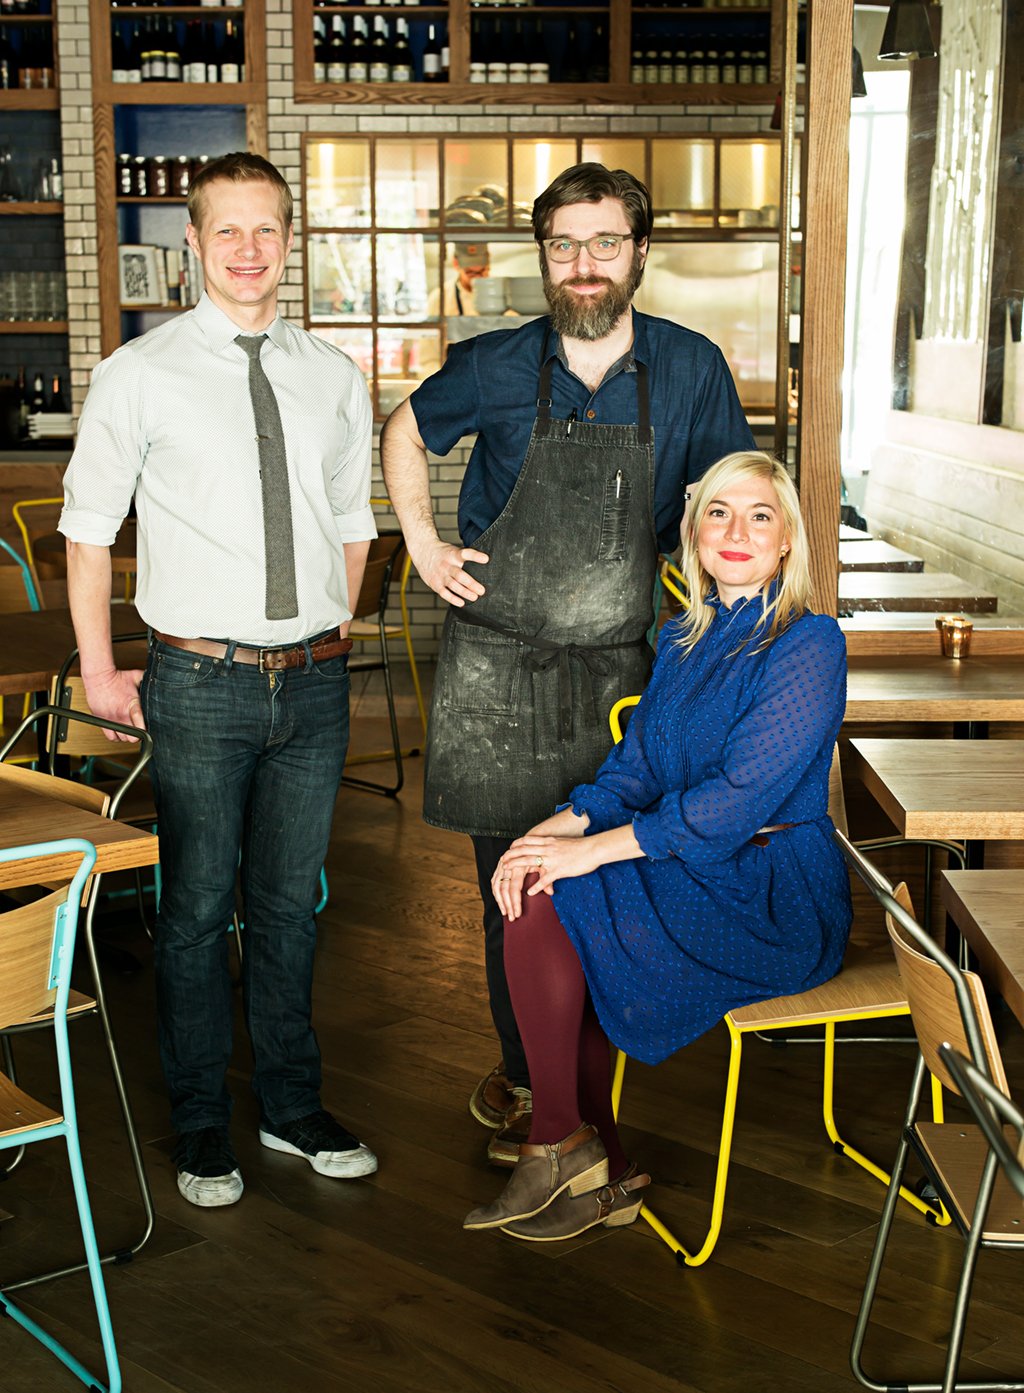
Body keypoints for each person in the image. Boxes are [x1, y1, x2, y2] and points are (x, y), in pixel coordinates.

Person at [381, 162, 754, 1165]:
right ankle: (525, 1081)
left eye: (603, 243)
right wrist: (418, 539)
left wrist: (722, 630)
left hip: (619, 683)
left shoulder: (689, 368)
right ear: (541, 255)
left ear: (639, 252)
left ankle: (582, 1078)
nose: (582, 265)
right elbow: (406, 429)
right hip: (494, 675)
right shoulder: (497, 363)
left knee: (598, 883)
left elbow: (724, 502)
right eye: (562, 245)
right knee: (509, 882)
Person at [59, 152, 378, 1209]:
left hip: (316, 685)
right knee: (196, 909)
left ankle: (291, 1106)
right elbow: (87, 531)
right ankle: (201, 1123)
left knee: (290, 908)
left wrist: (330, 625)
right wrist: (101, 669)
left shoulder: (333, 374)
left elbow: (349, 518)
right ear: (192, 242)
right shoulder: (137, 373)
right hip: (198, 681)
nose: (249, 249)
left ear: (292, 241)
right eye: (227, 230)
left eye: (269, 229)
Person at [462, 449, 852, 1241]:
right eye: (719, 513)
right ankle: (576, 1150)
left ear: (786, 543)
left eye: (759, 516)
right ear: (695, 533)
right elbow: (632, 772)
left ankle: (565, 1146)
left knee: (577, 893)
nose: (736, 531)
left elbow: (737, 802)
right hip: (690, 863)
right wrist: (544, 837)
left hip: (770, 890)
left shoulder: (810, 643)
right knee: (544, 883)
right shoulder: (681, 638)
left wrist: (589, 853)